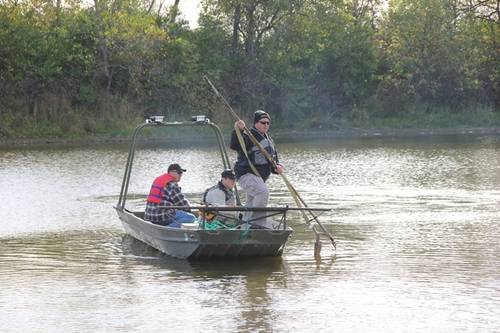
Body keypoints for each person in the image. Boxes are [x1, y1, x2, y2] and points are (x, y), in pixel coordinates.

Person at [230, 110, 284, 227]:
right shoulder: (249, 136)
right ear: (256, 123)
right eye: (263, 122)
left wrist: (277, 167)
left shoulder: (268, 140)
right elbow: (234, 145)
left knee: (251, 203)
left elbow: (273, 162)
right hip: (246, 175)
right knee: (262, 192)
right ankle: (258, 224)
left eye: (268, 123)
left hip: (258, 179)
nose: (266, 125)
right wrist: (238, 130)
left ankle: (245, 226)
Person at [144, 163, 196, 227]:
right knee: (191, 218)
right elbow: (182, 203)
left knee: (177, 212)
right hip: (161, 216)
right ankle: (166, 230)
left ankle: (163, 227)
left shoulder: (158, 180)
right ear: (171, 172)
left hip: (149, 215)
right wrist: (189, 211)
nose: (181, 174)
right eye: (179, 172)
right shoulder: (172, 184)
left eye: (181, 172)